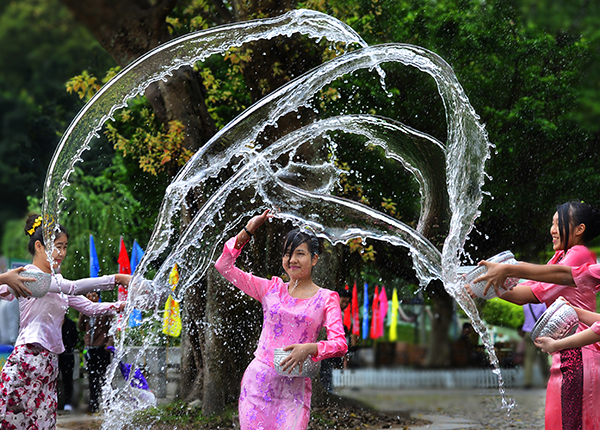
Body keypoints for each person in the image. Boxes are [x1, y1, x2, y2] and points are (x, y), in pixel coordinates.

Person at [467, 201, 600, 430]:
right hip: (564, 353)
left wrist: (509, 269)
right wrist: (483, 287)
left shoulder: (579, 254)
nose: (552, 230)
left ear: (580, 229)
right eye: (552, 224)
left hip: (581, 353)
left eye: (559, 224)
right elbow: (525, 293)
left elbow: (556, 275)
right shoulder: (560, 256)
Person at [214, 210, 347, 430]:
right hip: (257, 386)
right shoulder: (270, 289)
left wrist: (310, 348)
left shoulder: (327, 298)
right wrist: (248, 230)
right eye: (287, 254)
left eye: (300, 254)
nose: (292, 260)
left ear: (314, 259)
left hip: (294, 392)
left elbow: (340, 344)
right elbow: (224, 266)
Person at [0, 214, 129, 429]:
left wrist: (122, 305)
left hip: (49, 364)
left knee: (41, 424)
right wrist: (117, 279)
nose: (62, 253)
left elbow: (91, 308)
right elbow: (74, 287)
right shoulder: (30, 275)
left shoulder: (57, 283)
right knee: (12, 419)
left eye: (65, 247)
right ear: (39, 246)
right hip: (29, 358)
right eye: (57, 246)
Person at [78, 291, 115, 413]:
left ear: (98, 297)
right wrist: (82, 312)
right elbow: (81, 327)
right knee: (92, 377)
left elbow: (112, 328)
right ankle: (93, 404)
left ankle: (108, 403)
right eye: (88, 296)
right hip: (90, 348)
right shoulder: (86, 311)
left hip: (102, 347)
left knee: (105, 376)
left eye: (93, 296)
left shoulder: (104, 310)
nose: (90, 298)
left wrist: (109, 344)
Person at [58, 317, 78, 412]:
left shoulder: (70, 323)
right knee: (53, 379)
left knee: (68, 379)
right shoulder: (54, 323)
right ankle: (56, 401)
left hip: (68, 354)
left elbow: (75, 338)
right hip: (56, 355)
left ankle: (68, 402)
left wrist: (69, 345)